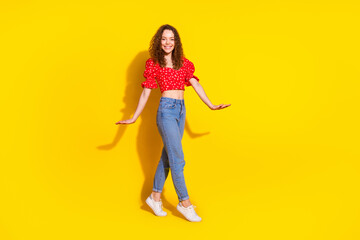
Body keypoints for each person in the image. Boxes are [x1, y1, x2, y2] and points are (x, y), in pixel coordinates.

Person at [115, 24, 231, 222]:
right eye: (164, 39)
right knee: (178, 159)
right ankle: (184, 203)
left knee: (168, 158)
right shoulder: (153, 64)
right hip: (166, 111)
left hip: (181, 110)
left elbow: (195, 83)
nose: (168, 42)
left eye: (171, 39)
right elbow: (146, 92)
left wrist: (211, 105)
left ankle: (154, 197)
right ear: (158, 42)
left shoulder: (184, 63)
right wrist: (133, 117)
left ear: (176, 42)